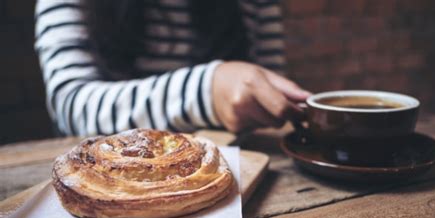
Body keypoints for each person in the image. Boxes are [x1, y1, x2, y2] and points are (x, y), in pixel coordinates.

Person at [35, 0, 311, 136]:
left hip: (239, 166)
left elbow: (268, 82)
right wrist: (207, 91)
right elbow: (70, 107)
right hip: (110, 172)